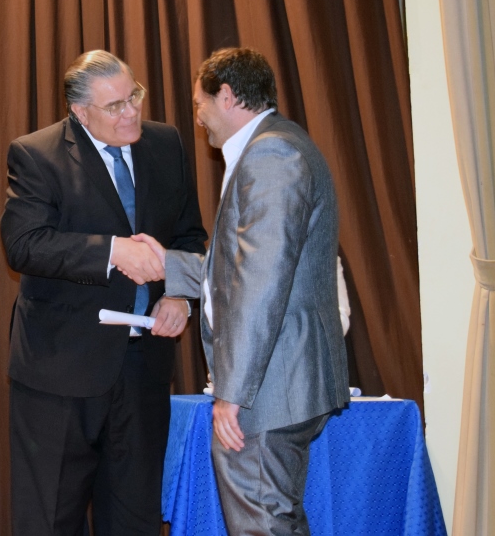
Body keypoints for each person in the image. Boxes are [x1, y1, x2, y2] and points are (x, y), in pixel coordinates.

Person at [138, 47, 349, 535]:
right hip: (280, 379)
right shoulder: (278, 144)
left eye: (200, 104)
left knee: (263, 525)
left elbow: (261, 282)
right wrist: (162, 263)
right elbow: (238, 270)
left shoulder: (271, 154)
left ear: (227, 96)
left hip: (269, 387)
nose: (199, 118)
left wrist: (233, 391)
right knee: (275, 520)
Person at [0, 50, 207, 535]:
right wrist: (113, 251)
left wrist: (178, 294)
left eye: (133, 96)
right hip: (59, 370)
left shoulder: (165, 143)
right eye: (114, 106)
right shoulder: (36, 153)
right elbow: (23, 245)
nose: (130, 112)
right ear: (79, 111)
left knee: (135, 520)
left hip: (142, 370)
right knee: (50, 519)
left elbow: (189, 235)